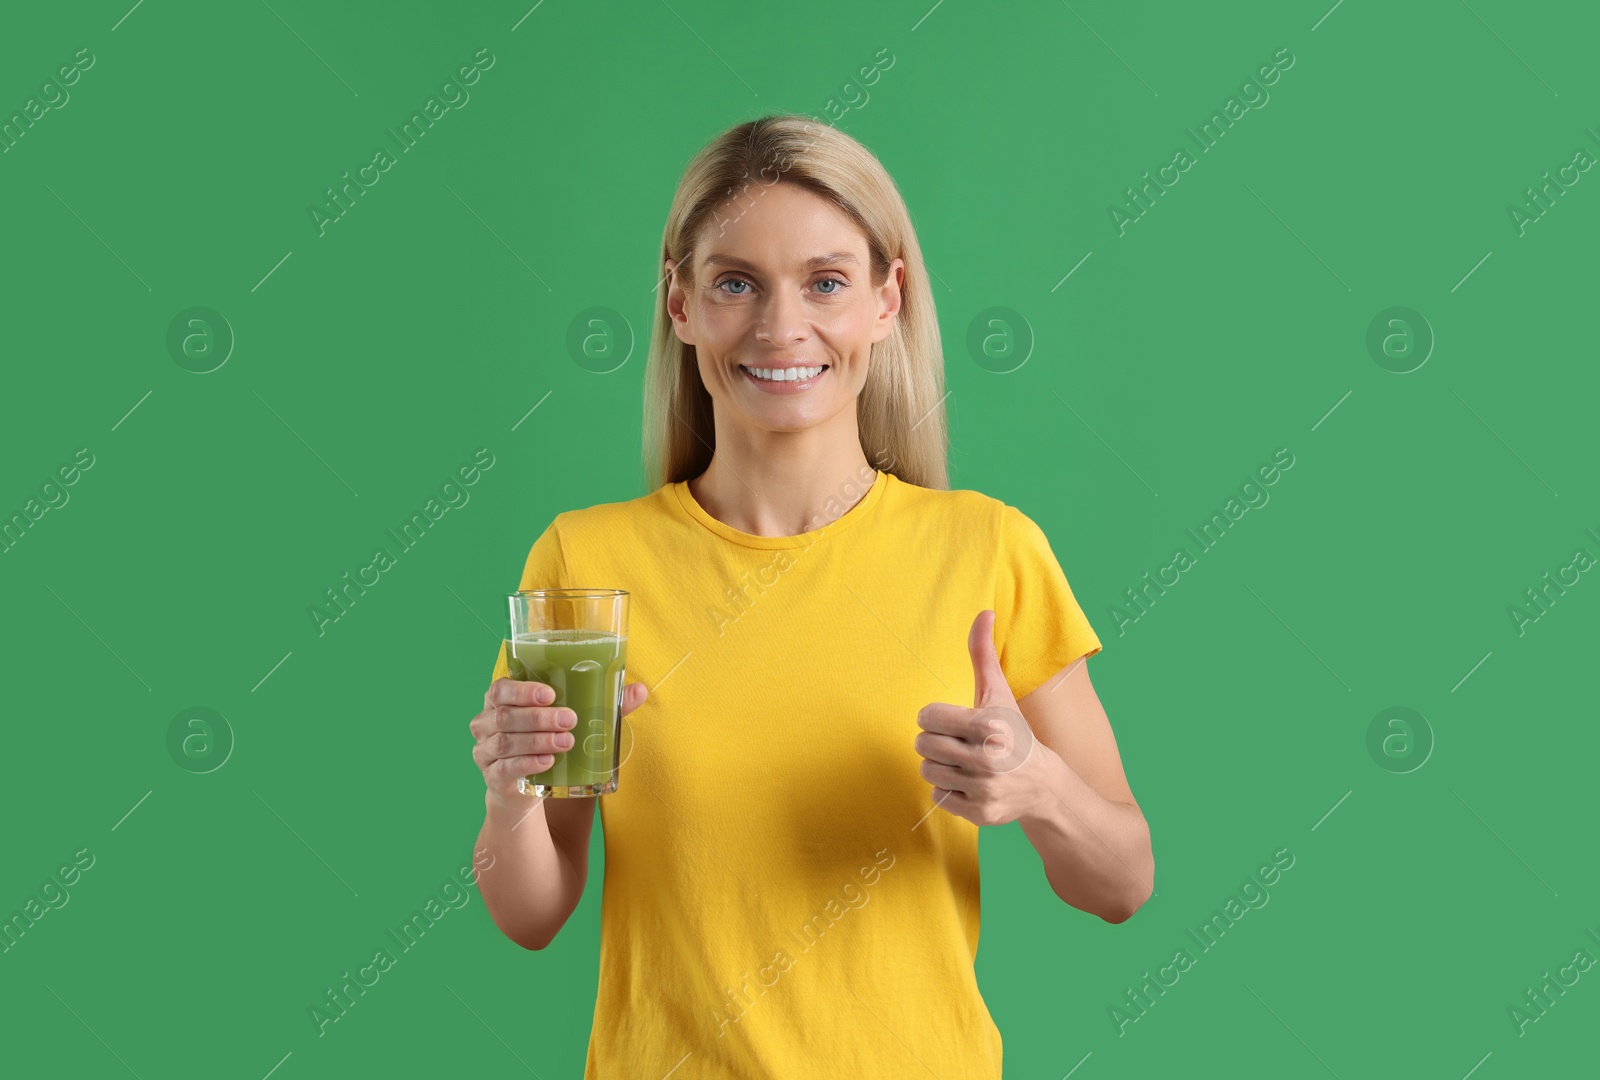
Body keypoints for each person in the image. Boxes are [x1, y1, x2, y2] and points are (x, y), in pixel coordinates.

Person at [468, 114, 1153, 1078]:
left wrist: (1037, 787)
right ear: (680, 303)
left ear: (887, 299)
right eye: (735, 283)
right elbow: (531, 913)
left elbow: (1124, 881)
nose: (780, 328)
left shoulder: (988, 550)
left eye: (826, 282)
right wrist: (509, 801)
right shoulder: (586, 563)